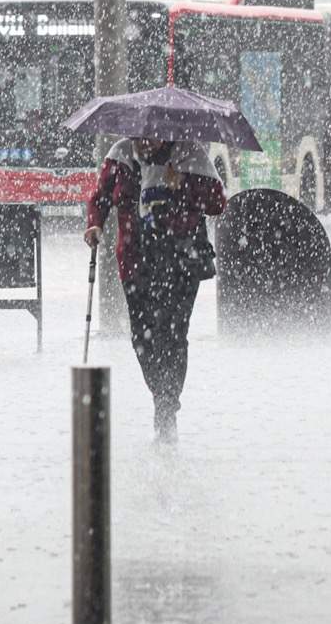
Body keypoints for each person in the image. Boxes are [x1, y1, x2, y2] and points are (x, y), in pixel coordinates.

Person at [85, 137, 226, 442]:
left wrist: (183, 184)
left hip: (180, 262)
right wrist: (94, 223)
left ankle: (166, 408)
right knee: (142, 338)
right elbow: (101, 196)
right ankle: (162, 396)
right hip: (136, 263)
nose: (146, 141)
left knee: (173, 335)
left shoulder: (189, 153)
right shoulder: (120, 155)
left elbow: (217, 202)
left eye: (153, 135)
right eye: (140, 135)